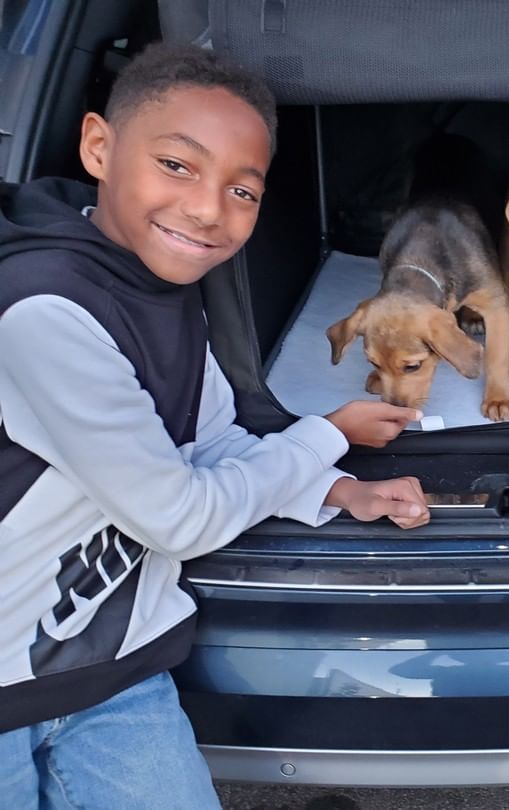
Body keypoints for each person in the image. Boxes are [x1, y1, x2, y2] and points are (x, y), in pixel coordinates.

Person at [0, 43, 429, 808]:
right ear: (99, 147)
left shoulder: (162, 284)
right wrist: (323, 435)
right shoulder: (43, 309)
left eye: (243, 189)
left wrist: (333, 490)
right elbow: (181, 516)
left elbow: (215, 443)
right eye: (176, 165)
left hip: (110, 673)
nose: (207, 209)